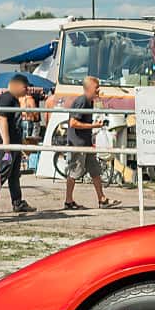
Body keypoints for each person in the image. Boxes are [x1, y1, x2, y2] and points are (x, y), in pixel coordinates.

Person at [60, 76, 112, 210]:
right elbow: (73, 123)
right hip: (78, 144)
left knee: (95, 171)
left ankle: (102, 199)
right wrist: (93, 126)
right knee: (74, 172)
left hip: (86, 144)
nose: (98, 90)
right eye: (96, 87)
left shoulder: (90, 102)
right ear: (89, 88)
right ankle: (68, 201)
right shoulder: (82, 101)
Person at [0, 74, 35, 214]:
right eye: (26, 87)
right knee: (3, 172)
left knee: (14, 175)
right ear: (20, 86)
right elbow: (1, 120)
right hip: (7, 147)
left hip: (13, 145)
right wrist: (6, 145)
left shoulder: (14, 99)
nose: (27, 90)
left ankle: (17, 202)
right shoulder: (6, 98)